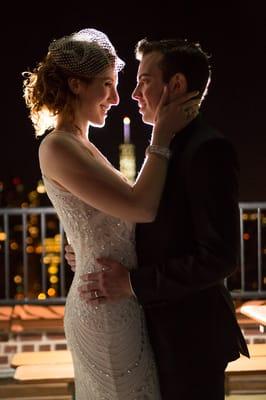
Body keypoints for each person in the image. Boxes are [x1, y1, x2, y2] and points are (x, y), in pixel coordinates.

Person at [66, 37, 250, 399]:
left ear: (176, 85)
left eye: (144, 81)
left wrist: (133, 283)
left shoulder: (208, 150)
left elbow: (220, 257)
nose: (133, 93)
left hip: (190, 337)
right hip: (159, 331)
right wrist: (90, 249)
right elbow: (152, 228)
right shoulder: (167, 149)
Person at [23, 28, 199, 399]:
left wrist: (81, 245)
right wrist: (160, 139)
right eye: (107, 85)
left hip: (119, 297)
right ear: (75, 85)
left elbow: (107, 218)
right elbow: (141, 206)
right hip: (101, 307)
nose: (117, 98)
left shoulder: (80, 144)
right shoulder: (57, 146)